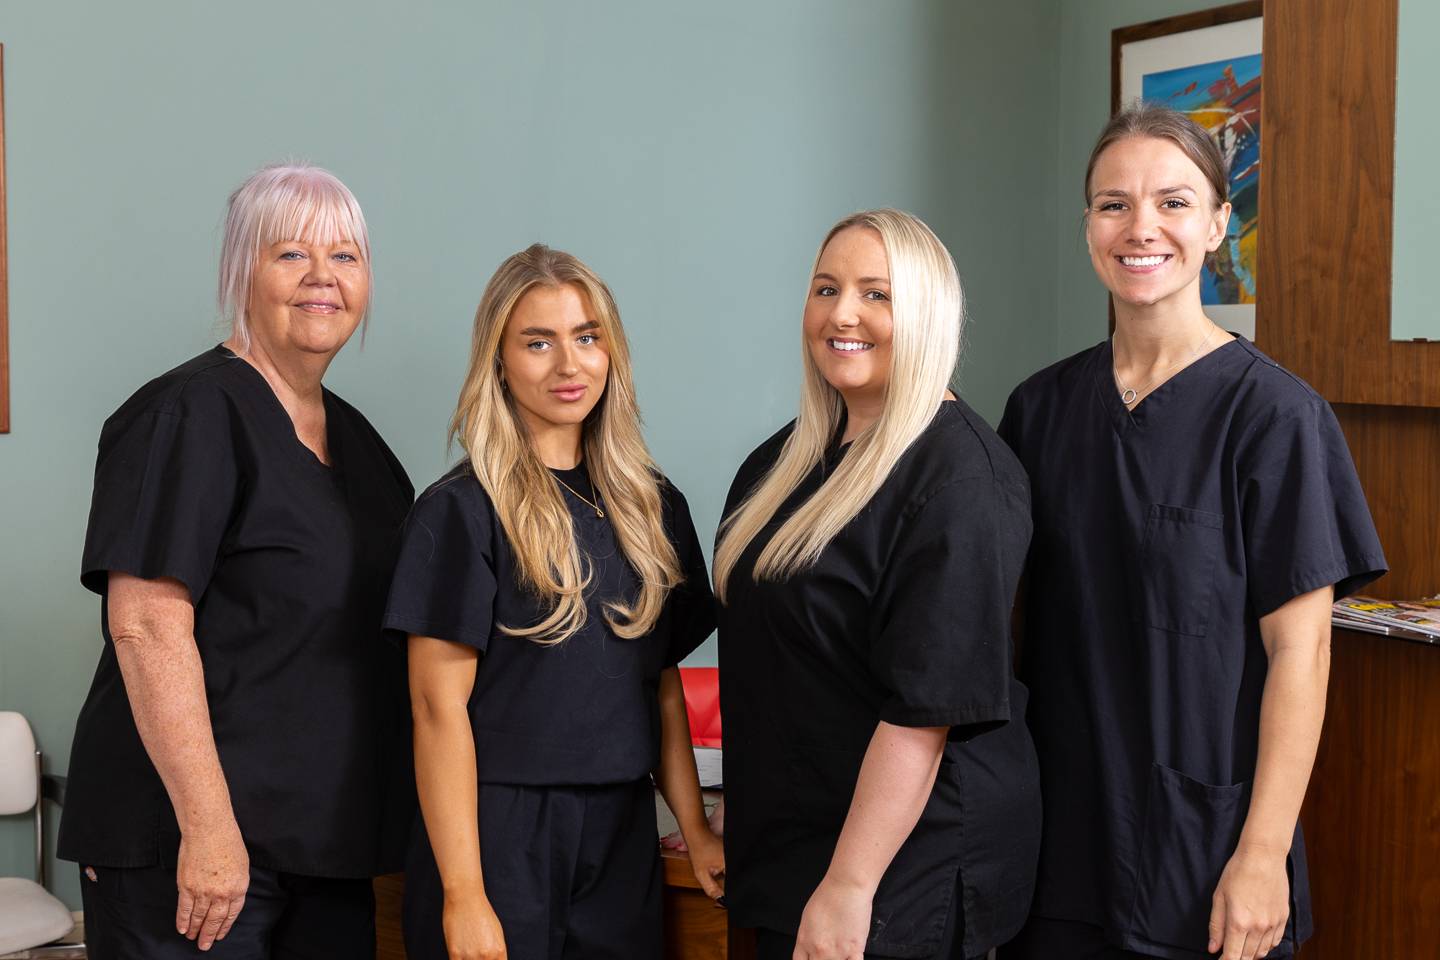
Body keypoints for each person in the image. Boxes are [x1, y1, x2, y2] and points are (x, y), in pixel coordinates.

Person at [996, 104, 1387, 960]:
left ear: (1216, 226)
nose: (1142, 227)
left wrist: (1263, 855)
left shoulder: (1276, 416)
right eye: (1114, 204)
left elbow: (1302, 655)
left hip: (1207, 849)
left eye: (1173, 202)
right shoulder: (1039, 409)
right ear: (1088, 228)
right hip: (1057, 849)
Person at [60, 163, 416, 957]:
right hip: (194, 845)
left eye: (346, 256)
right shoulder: (187, 413)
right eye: (290, 253)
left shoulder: (361, 444)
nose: (322, 276)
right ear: (241, 271)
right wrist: (209, 828)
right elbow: (147, 627)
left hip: (323, 845)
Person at [714, 209, 1041, 960]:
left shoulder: (961, 478)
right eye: (826, 289)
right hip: (793, 844)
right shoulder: (780, 466)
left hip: (900, 869)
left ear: (928, 313)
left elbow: (924, 713)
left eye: (877, 294)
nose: (842, 314)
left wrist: (850, 884)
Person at [383, 243, 722, 960]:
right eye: (538, 343)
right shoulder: (461, 512)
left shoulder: (654, 507)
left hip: (621, 828)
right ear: (499, 361)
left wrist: (695, 831)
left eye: (587, 337)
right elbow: (436, 712)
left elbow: (659, 687)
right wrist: (463, 894)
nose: (569, 365)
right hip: (498, 831)